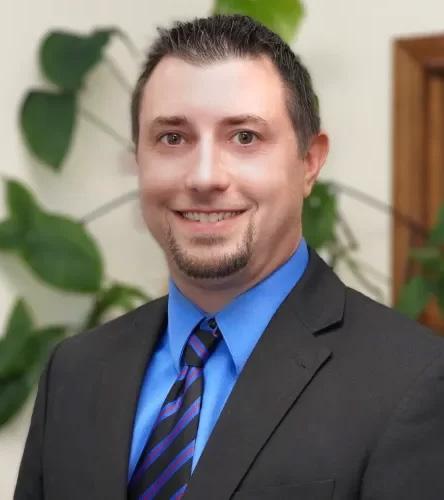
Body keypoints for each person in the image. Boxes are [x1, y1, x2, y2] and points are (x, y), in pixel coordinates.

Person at [14, 14, 444, 500]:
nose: (204, 177)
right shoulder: (74, 372)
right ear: (139, 160)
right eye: (172, 138)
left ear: (309, 162)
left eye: (244, 137)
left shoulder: (412, 380)